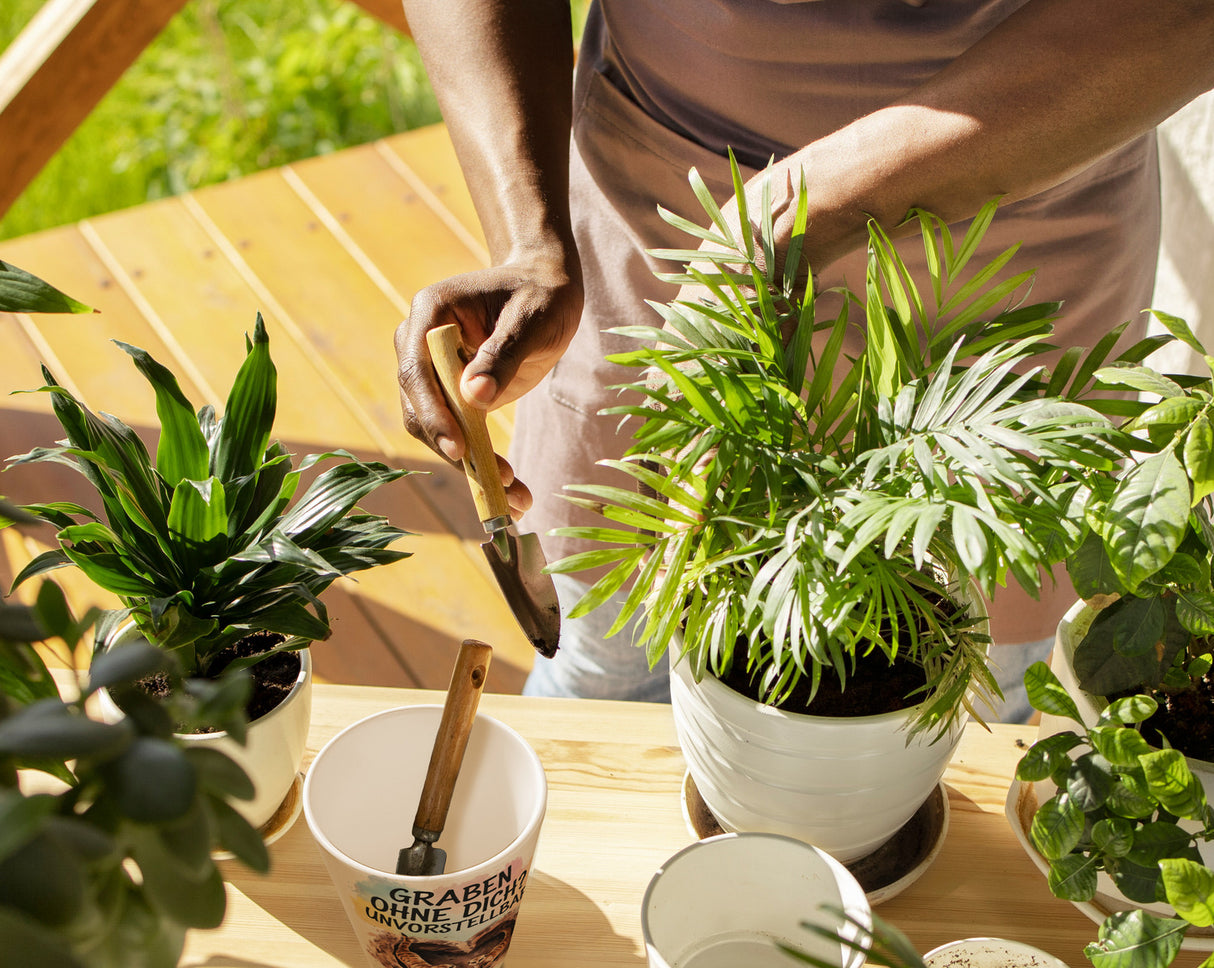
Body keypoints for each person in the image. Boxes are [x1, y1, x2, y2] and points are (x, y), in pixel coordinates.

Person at [395, 0, 1214, 720]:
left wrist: (801, 211)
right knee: (612, 665)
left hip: (1013, 235)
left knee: (953, 704)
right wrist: (529, 232)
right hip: (660, 221)